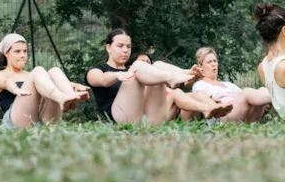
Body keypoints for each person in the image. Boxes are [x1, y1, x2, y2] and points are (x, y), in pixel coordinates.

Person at [86, 29, 233, 125]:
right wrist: (118, 74)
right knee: (138, 67)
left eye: (128, 47)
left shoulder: (136, 69)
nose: (125, 50)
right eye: (120, 46)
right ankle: (174, 77)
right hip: (119, 119)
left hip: (146, 120)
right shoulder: (98, 70)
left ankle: (191, 80)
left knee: (155, 65)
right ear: (108, 47)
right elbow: (102, 80)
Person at [0, 34, 90, 128]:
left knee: (54, 71)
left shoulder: (31, 75)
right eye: (17, 51)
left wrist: (74, 85)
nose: (23, 55)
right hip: (16, 121)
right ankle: (61, 97)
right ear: (6, 53)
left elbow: (50, 81)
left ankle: (71, 99)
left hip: (42, 119)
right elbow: (6, 83)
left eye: (25, 51)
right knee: (38, 70)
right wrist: (15, 89)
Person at [188, 47, 272, 123]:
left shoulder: (228, 85)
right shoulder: (200, 84)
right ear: (200, 67)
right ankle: (277, 96)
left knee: (262, 90)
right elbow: (200, 98)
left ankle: (253, 127)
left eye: (215, 61)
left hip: (240, 114)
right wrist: (212, 102)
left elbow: (250, 98)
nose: (213, 64)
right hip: (222, 116)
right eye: (209, 62)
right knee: (247, 93)